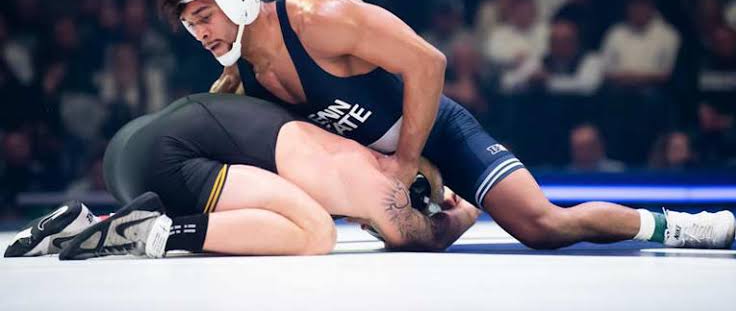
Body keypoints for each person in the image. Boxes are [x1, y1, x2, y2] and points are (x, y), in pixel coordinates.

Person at [158, 0, 735, 250]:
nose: (201, 34)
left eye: (204, 16)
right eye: (190, 25)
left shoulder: (320, 18)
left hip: (435, 131)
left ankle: (676, 227)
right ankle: (455, 210)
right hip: (386, 162)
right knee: (407, 242)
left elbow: (428, 62)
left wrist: (407, 158)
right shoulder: (242, 72)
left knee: (542, 226)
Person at [5, 93, 478, 259]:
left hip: (129, 151)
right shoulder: (376, 176)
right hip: (171, 158)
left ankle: (85, 224)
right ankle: (152, 233)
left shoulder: (335, 137)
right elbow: (417, 235)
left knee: (273, 216)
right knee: (316, 233)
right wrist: (466, 213)